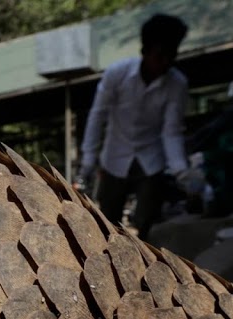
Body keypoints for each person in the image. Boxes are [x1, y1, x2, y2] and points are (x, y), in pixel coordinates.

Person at [77, 14, 191, 239]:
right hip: (115, 157)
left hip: (151, 158)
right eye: (160, 55)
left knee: (148, 220)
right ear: (145, 51)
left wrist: (181, 171)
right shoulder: (117, 74)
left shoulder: (177, 84)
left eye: (171, 56)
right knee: (108, 222)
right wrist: (88, 163)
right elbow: (97, 116)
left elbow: (171, 131)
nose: (166, 63)